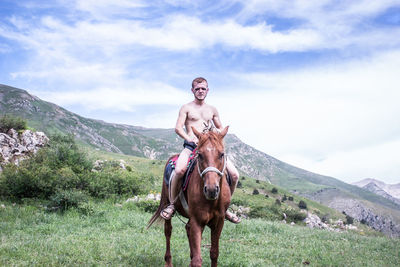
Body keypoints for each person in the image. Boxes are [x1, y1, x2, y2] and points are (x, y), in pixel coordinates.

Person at [160, 77, 241, 224]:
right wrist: (189, 138)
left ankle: (225, 207)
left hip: (209, 148)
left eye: (203, 88)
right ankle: (172, 204)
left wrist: (216, 136)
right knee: (178, 171)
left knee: (235, 175)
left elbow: (220, 128)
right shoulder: (186, 108)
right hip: (191, 147)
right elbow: (178, 128)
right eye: (197, 89)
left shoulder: (212, 109)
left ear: (207, 90)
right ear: (192, 91)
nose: (200, 91)